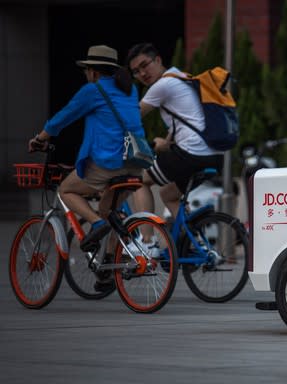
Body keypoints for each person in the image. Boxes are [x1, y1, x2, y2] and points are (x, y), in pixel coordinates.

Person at [29, 45, 144, 263]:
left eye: (86, 70)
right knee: (108, 210)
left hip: (108, 163)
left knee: (66, 190)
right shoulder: (131, 90)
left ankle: (96, 224)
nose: (86, 75)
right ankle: (110, 263)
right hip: (136, 162)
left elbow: (64, 117)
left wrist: (40, 138)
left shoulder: (93, 90)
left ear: (94, 71)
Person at [126, 43, 224, 223]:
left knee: (138, 181)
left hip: (193, 153)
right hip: (214, 155)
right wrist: (164, 142)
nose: (142, 73)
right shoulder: (182, 77)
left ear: (158, 60)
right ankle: (192, 242)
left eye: (144, 65)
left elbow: (131, 116)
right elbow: (186, 121)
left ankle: (148, 242)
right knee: (169, 194)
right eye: (136, 71)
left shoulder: (163, 85)